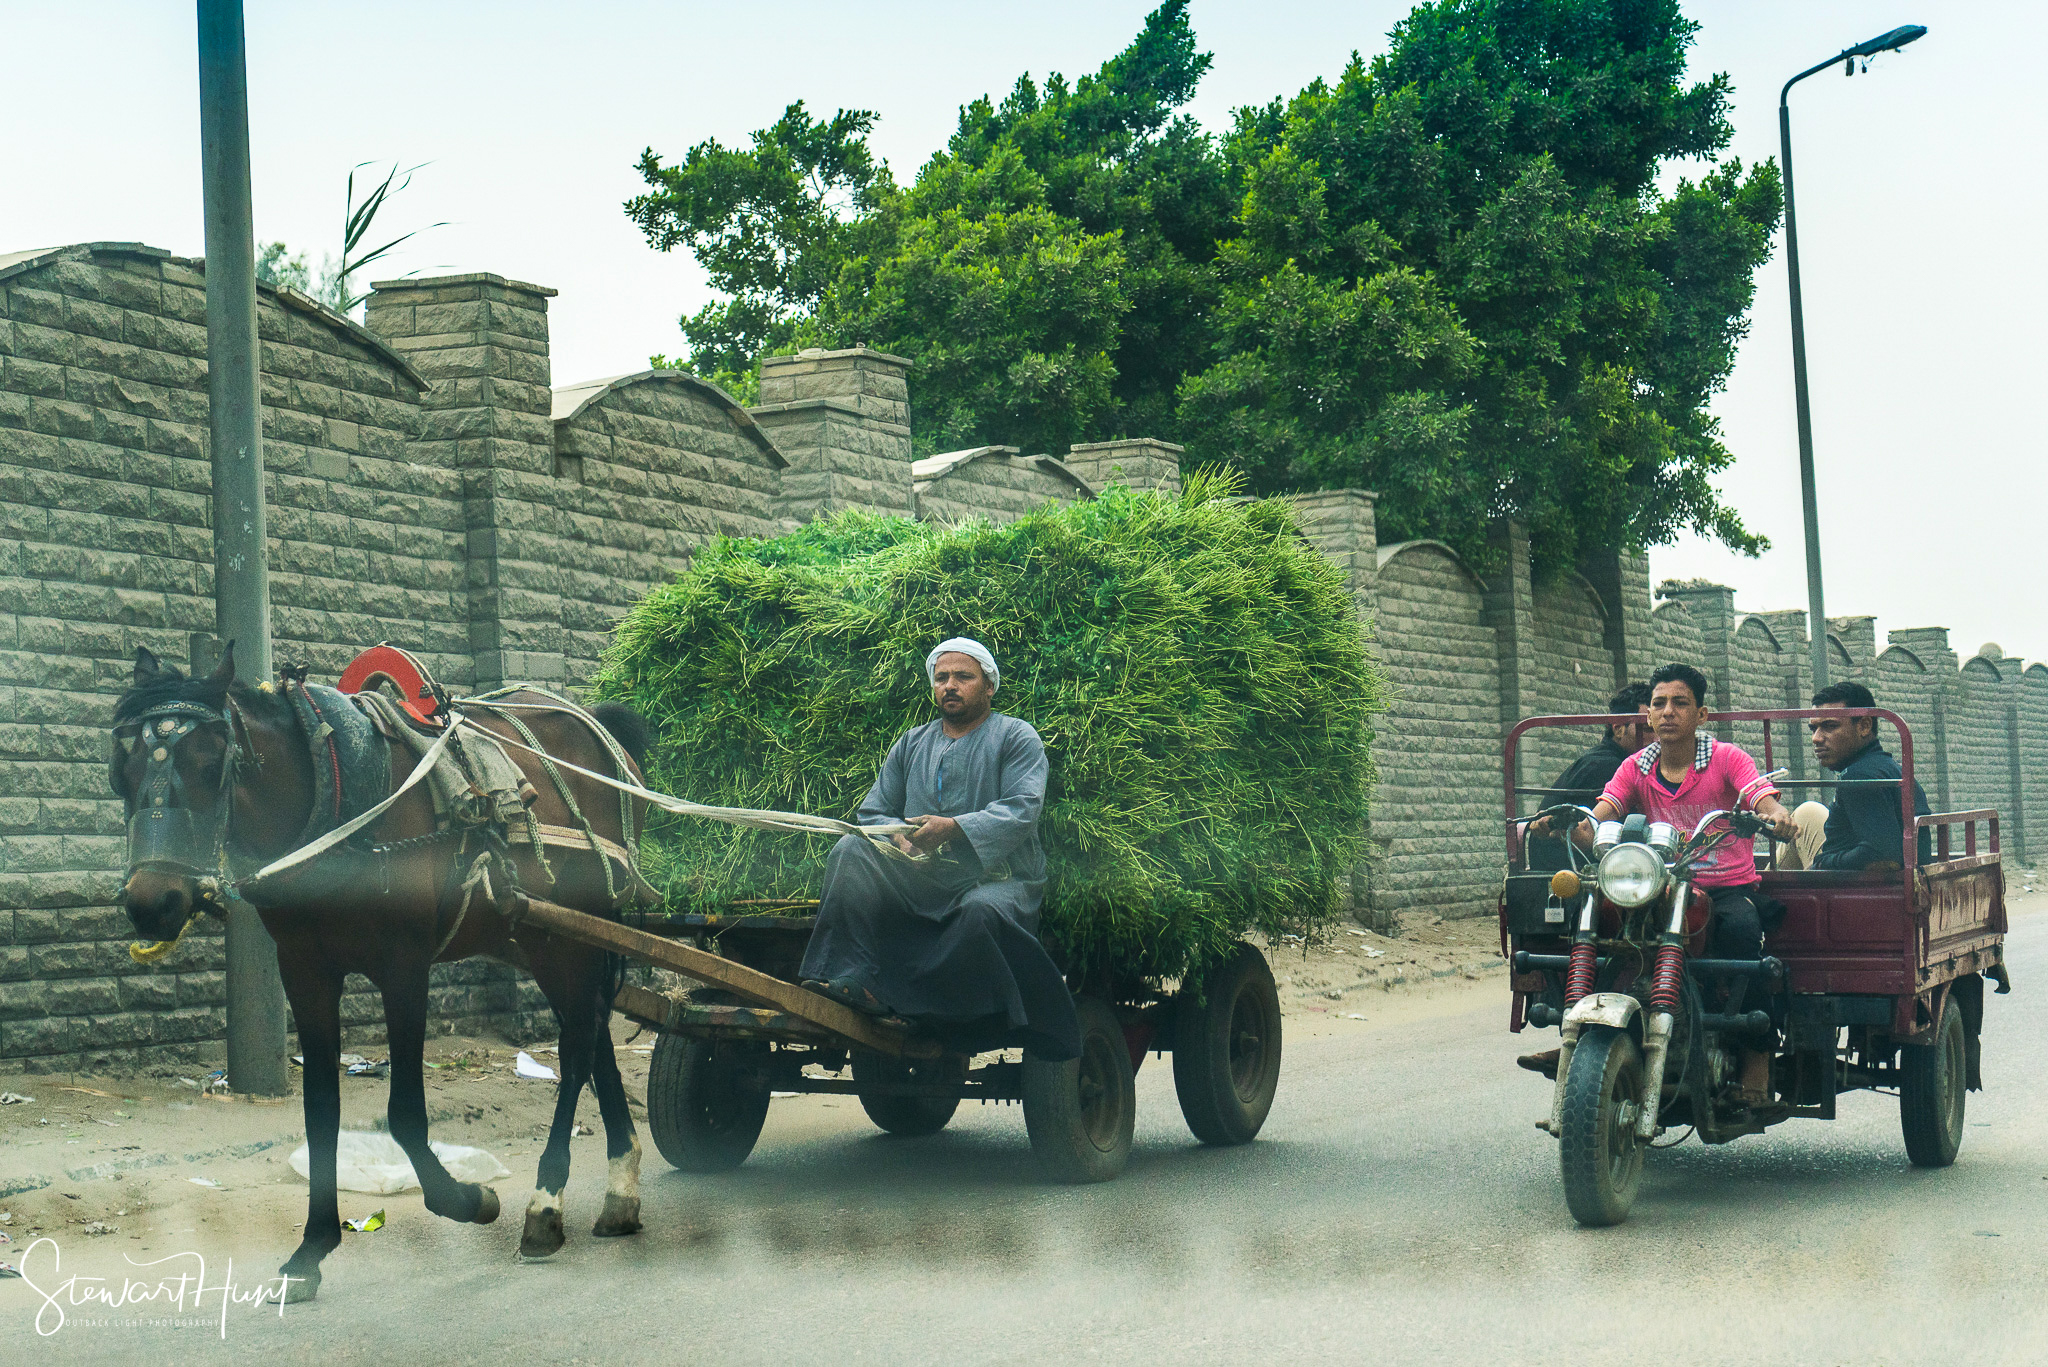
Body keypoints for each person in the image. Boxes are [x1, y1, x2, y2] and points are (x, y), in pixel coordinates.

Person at [799, 637, 1083, 1060]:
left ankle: (936, 1017)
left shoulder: (1016, 737)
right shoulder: (911, 742)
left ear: (988, 686)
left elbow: (1022, 809)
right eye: (941, 678)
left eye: (963, 677)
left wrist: (953, 829)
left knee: (979, 913)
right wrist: (893, 837)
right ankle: (846, 980)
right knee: (850, 851)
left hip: (998, 880)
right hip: (920, 880)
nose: (950, 685)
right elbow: (874, 812)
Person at [1779, 680, 1931, 871]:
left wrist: (1821, 863)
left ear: (1864, 726)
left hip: (1863, 890)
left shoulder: (1860, 777)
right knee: (1806, 812)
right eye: (1814, 728)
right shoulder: (1886, 767)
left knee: (1764, 886)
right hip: (1901, 879)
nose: (1816, 738)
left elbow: (1883, 857)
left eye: (1829, 726)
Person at [1525, 682, 1653, 871]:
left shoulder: (1603, 760)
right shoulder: (1608, 767)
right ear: (1618, 728)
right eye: (1647, 729)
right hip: (1572, 874)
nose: (1657, 738)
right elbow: (1594, 833)